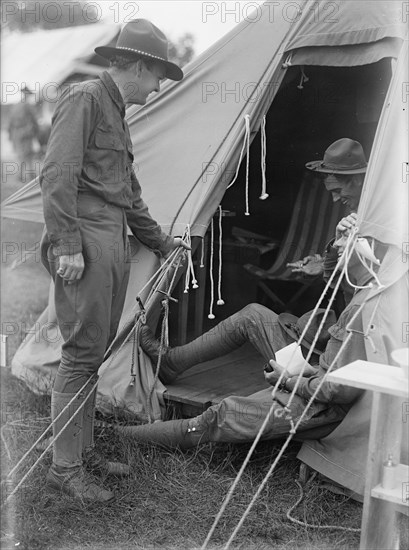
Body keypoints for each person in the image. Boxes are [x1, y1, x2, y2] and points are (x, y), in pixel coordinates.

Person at [39, 19, 189, 503]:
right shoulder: (84, 98)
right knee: (82, 353)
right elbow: (56, 175)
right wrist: (66, 245)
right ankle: (65, 468)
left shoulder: (116, 112)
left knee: (95, 351)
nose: (159, 84)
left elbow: (129, 196)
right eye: (157, 74)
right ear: (139, 66)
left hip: (112, 238)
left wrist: (162, 243)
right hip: (85, 239)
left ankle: (80, 454)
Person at [112, 223, 387, 450]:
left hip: (322, 406)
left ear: (365, 254)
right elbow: (335, 278)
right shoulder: (369, 282)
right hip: (316, 370)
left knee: (224, 414)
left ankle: (121, 437)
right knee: (253, 315)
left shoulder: (364, 309)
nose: (336, 254)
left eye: (343, 248)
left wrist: (289, 381)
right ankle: (173, 361)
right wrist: (335, 243)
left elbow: (336, 390)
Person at [287, 138, 367, 282]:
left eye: (337, 190)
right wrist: (323, 263)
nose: (335, 199)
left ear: (357, 180)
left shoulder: (379, 213)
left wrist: (325, 265)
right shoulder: (356, 208)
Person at [8, 87, 40, 180]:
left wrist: (10, 135)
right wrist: (36, 132)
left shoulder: (15, 105)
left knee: (21, 154)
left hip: (16, 133)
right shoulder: (28, 105)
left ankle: (21, 175)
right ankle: (30, 175)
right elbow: (34, 120)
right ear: (26, 94)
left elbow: (10, 122)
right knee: (28, 155)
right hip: (26, 132)